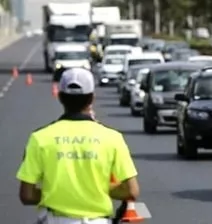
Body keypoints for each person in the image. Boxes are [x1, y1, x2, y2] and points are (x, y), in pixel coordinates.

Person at [16, 68, 140, 224]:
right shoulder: (113, 138)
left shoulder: (40, 138)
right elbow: (132, 190)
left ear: (60, 97)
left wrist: (56, 193)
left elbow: (26, 195)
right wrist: (94, 189)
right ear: (92, 98)